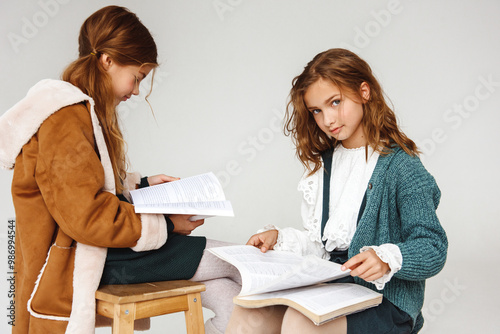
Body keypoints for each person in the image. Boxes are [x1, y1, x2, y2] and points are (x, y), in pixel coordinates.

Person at [0, 6, 240, 334]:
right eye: (137, 77)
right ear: (108, 60)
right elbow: (87, 217)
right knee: (242, 266)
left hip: (99, 252)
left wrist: (142, 185)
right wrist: (168, 224)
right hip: (86, 260)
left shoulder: (75, 114)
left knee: (228, 293)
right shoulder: (65, 119)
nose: (137, 90)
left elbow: (81, 188)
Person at [225, 48, 448, 334]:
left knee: (299, 322)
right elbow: (323, 246)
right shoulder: (326, 164)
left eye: (335, 102)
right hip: (334, 289)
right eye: (317, 110)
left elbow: (433, 247)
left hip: (386, 301)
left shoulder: (402, 166)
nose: (328, 119)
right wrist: (279, 237)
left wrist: (385, 258)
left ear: (364, 91)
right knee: (249, 310)